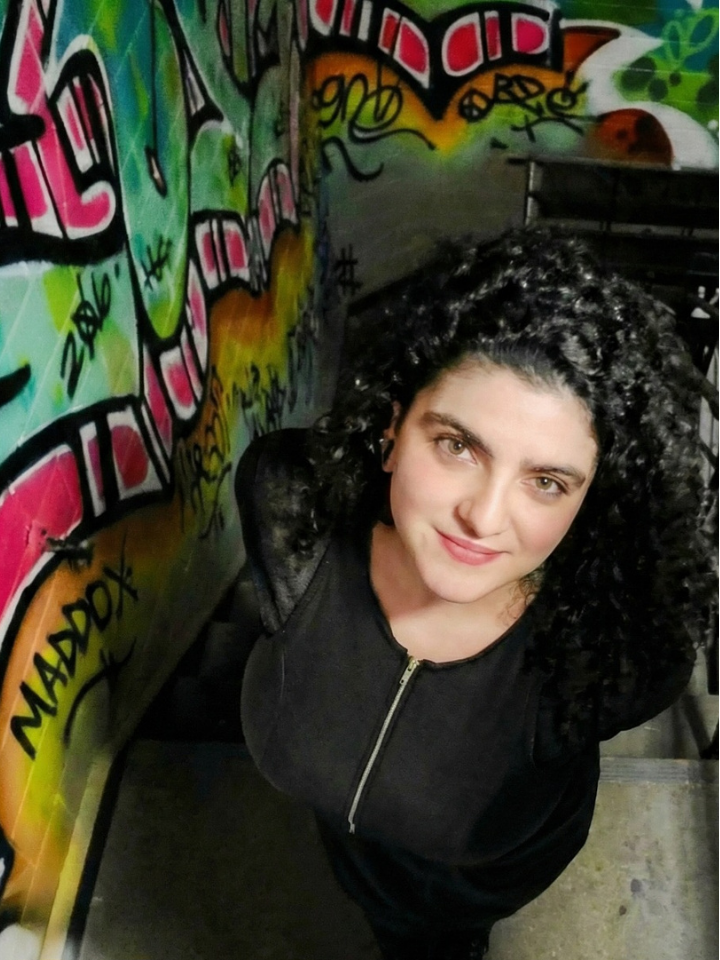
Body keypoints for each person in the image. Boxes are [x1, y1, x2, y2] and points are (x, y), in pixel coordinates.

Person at [233, 227, 715, 960]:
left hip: (475, 890)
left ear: (591, 500)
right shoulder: (293, 512)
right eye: (457, 445)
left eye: (546, 482)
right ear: (393, 428)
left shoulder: (620, 653)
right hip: (345, 850)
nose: (484, 519)